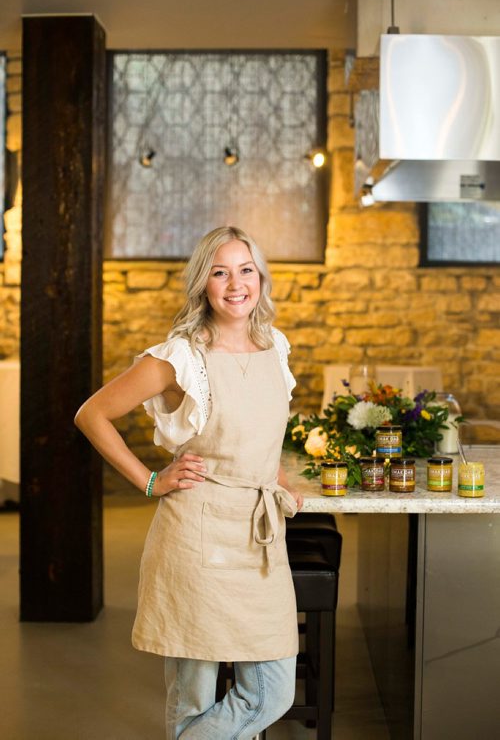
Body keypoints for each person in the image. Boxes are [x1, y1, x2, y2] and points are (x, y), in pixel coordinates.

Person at [75, 226, 303, 739]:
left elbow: (263, 428)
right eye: (220, 272)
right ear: (203, 284)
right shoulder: (181, 357)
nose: (235, 283)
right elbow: (92, 414)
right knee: (192, 700)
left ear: (261, 279)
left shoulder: (275, 346)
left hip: (260, 538)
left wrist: (278, 475)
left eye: (246, 270)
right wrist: (150, 480)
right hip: (196, 538)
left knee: (273, 690)